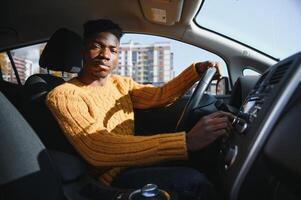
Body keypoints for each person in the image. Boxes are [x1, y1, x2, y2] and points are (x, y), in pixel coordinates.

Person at [46, 19, 233, 200]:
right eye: (97, 46)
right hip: (108, 179)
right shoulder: (64, 94)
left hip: (137, 162)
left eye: (113, 50)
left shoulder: (121, 84)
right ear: (83, 50)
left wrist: (197, 71)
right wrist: (187, 141)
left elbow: (159, 96)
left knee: (201, 166)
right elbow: (97, 146)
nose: (105, 54)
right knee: (195, 182)